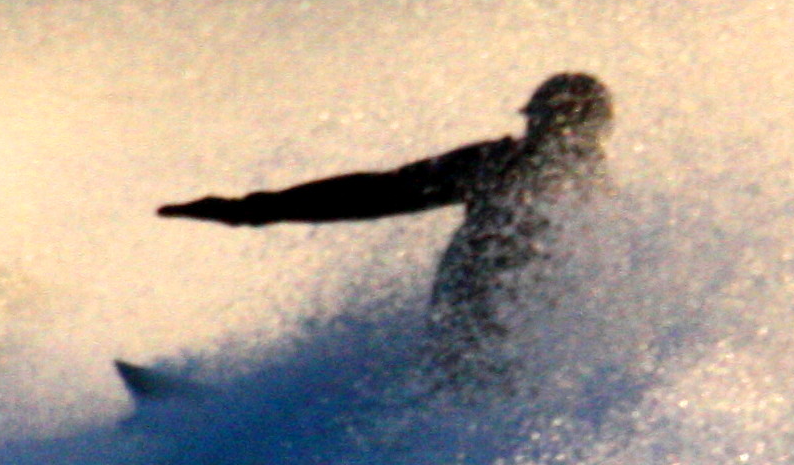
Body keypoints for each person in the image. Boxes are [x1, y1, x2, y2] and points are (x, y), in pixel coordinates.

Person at [158, 71, 613, 369]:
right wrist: (256, 209)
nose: (539, 132)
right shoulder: (493, 163)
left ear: (591, 131)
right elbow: (380, 192)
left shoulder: (605, 209)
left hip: (526, 356)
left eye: (554, 122)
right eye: (537, 120)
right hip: (462, 342)